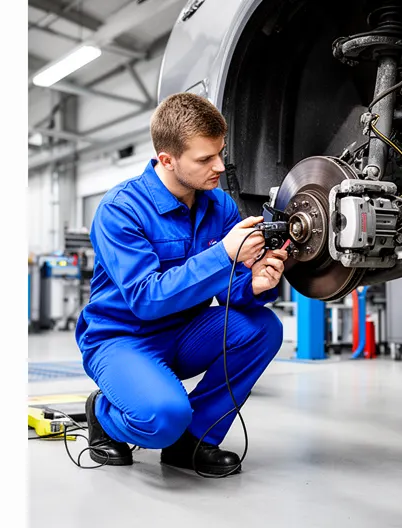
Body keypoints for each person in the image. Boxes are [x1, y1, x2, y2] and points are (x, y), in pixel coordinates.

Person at [74, 92, 287, 475]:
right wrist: (223, 254)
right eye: (205, 159)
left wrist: (253, 284)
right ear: (167, 160)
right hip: (122, 338)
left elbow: (226, 289)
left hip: (185, 332)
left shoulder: (217, 204)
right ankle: (104, 413)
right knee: (162, 419)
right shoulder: (120, 209)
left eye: (220, 152)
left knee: (263, 328)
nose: (219, 166)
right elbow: (144, 298)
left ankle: (195, 440)